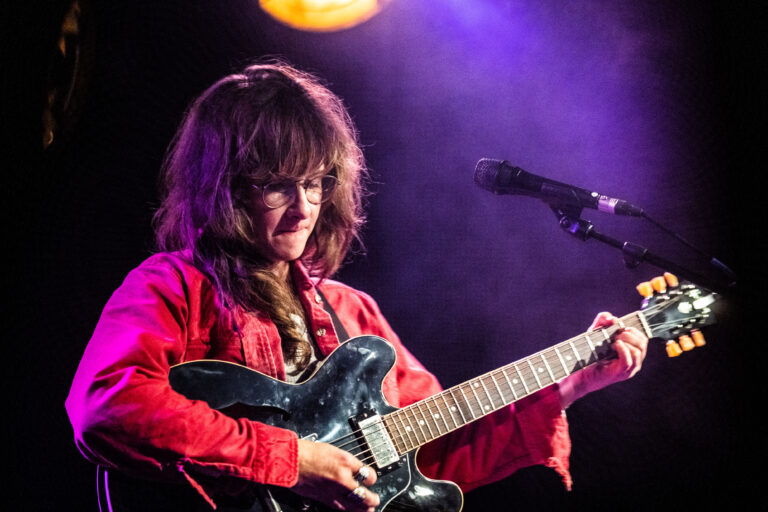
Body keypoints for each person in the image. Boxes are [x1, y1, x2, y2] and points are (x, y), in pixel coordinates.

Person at [65, 60, 648, 512]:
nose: (304, 210)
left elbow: (436, 452)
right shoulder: (173, 286)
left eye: (317, 184)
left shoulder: (351, 311)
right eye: (277, 186)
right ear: (225, 188)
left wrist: (568, 385)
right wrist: (292, 459)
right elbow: (109, 406)